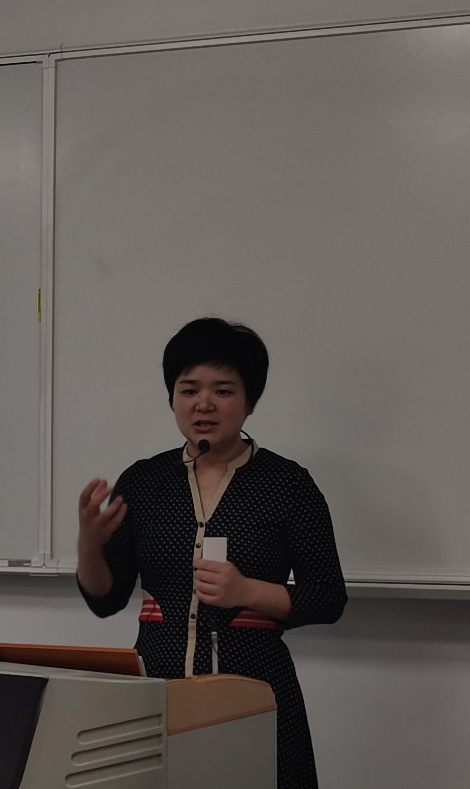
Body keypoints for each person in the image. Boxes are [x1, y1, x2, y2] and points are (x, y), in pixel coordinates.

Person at [77, 317, 346, 789]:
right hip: (156, 691)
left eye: (223, 390)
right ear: (172, 398)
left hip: (254, 692)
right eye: (189, 390)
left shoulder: (288, 484)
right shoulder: (144, 481)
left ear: (250, 401)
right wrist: (87, 542)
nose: (203, 403)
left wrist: (248, 591)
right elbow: (106, 598)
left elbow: (327, 598)